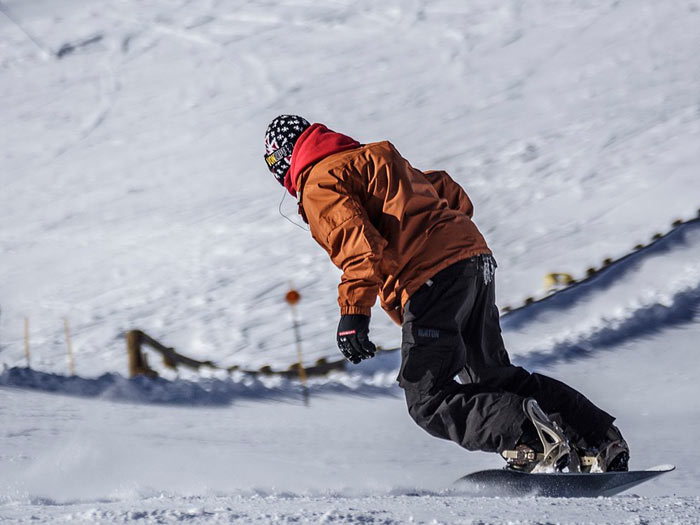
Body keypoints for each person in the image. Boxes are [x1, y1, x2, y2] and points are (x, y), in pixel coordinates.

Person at [263, 115, 629, 472]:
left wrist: (353, 314)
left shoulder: (319, 182)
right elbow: (446, 188)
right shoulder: (373, 156)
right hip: (473, 259)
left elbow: (359, 247)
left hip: (431, 276)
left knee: (427, 397)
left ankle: (531, 439)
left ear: (282, 160)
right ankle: (598, 438)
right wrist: (446, 235)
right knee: (492, 377)